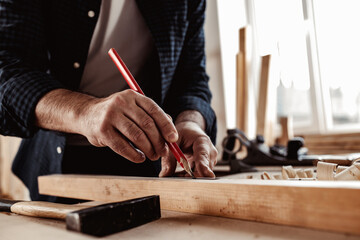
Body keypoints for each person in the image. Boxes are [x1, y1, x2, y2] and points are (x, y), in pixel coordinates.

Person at [0, 0, 218, 201]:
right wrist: (85, 112)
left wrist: (190, 122)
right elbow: (6, 71)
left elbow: (192, 79)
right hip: (59, 161)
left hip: (148, 162)